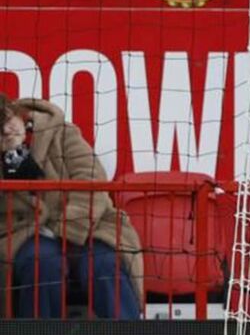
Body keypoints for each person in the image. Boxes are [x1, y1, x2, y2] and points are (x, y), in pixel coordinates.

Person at [0, 94, 143, 319]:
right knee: (43, 264)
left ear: (18, 112)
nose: (7, 131)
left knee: (103, 264)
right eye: (0, 129)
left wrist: (70, 228)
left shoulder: (62, 132)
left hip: (89, 226)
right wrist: (11, 158)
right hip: (25, 233)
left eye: (8, 121)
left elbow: (92, 178)